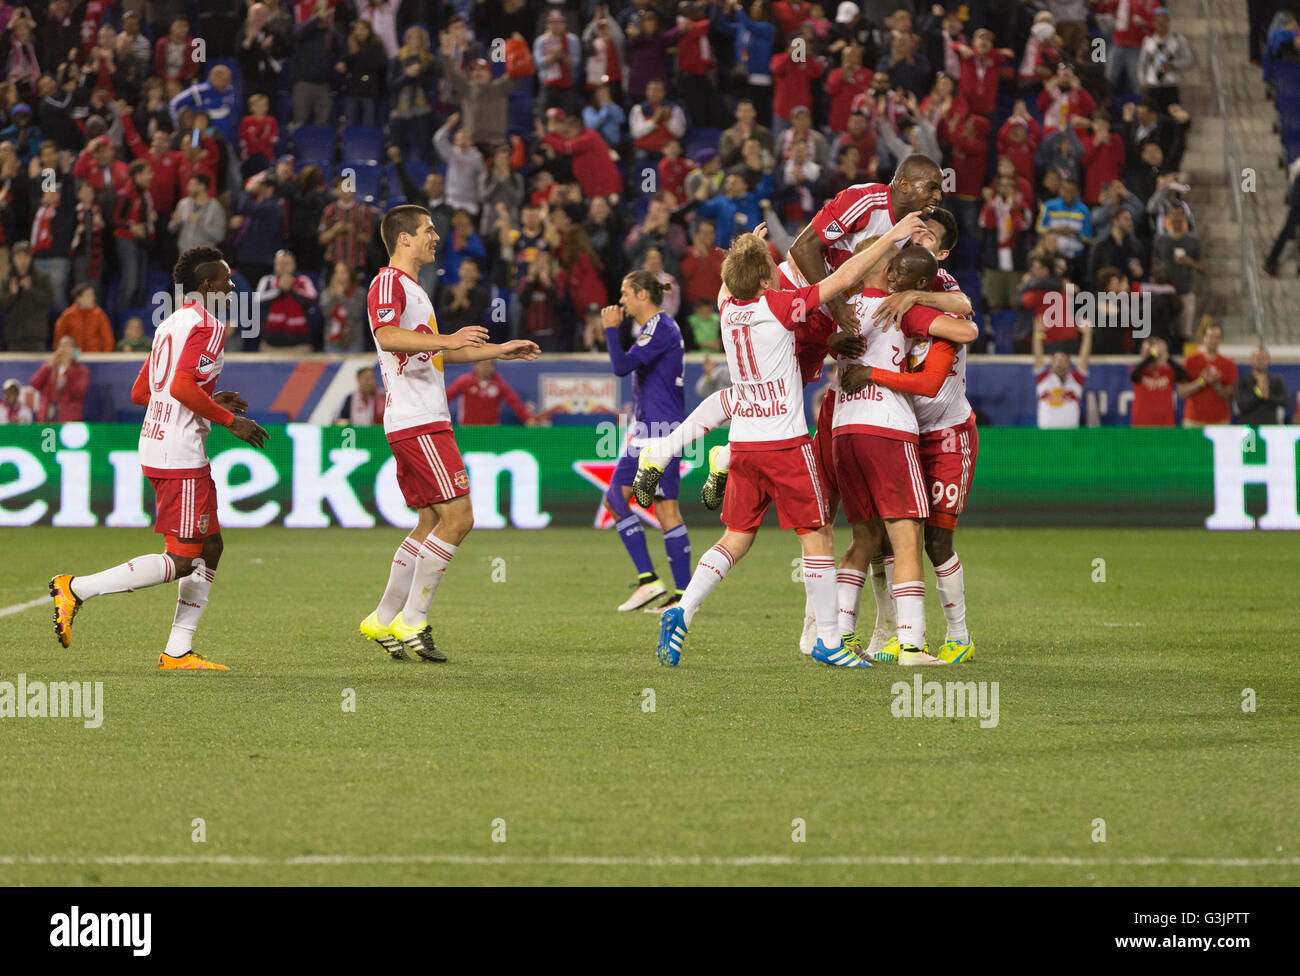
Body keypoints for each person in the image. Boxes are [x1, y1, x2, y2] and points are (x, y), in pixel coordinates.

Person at [653, 225, 928, 669]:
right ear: (765, 281)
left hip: (743, 444)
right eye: (771, 271)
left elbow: (729, 283)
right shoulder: (778, 307)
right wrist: (890, 236)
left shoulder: (726, 310)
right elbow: (843, 277)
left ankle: (681, 611)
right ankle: (828, 641)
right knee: (816, 535)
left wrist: (747, 246)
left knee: (736, 538)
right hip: (784, 444)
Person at [49, 247, 270, 670]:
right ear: (207, 286)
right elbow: (183, 386)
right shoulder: (209, 326)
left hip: (158, 440)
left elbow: (142, 391)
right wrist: (228, 420)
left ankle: (177, 652)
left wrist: (203, 396)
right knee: (184, 557)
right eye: (225, 278)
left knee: (211, 545)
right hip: (179, 451)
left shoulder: (170, 322)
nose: (231, 283)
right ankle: (76, 588)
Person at [357, 205, 541, 663]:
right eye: (428, 230)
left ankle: (383, 619)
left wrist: (499, 350)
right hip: (418, 421)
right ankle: (413, 620)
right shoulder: (389, 283)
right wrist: (448, 338)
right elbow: (388, 336)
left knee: (430, 522)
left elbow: (432, 355)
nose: (436, 237)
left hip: (421, 419)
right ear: (403, 238)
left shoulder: (415, 289)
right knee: (459, 518)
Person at [833, 245, 980, 667]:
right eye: (890, 268)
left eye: (901, 272)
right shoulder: (887, 310)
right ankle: (902, 639)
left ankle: (956, 635)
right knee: (894, 538)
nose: (892, 276)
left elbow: (953, 350)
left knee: (930, 540)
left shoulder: (917, 315)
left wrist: (862, 363)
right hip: (898, 432)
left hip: (945, 433)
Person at [599, 270, 690, 613]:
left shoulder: (660, 328)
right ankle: (655, 583)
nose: (620, 300)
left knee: (664, 510)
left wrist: (610, 328)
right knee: (623, 501)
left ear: (641, 294)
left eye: (624, 293)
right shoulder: (656, 329)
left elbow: (621, 367)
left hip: (659, 433)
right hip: (651, 430)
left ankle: (667, 588)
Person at [1033, 317, 1093, 428]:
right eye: (1057, 360)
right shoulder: (1043, 378)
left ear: (1069, 364)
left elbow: (1084, 357)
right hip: (1046, 440)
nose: (1060, 363)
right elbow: (1038, 357)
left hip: (1069, 439)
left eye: (1064, 360)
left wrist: (1087, 334)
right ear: (1052, 364)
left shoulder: (1076, 379)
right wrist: (1037, 335)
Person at [1179, 320, 1237, 427]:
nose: (1213, 341)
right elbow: (1182, 392)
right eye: (1210, 337)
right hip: (1193, 421)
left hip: (1220, 422)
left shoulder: (1229, 364)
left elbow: (1229, 397)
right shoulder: (1190, 362)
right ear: (1204, 338)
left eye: (1217, 337)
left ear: (1221, 340)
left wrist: (1216, 384)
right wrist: (1202, 381)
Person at [445, 359, 534, 426]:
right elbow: (447, 397)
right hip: (468, 429)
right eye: (483, 365)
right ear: (475, 366)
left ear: (493, 367)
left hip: (491, 431)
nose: (485, 368)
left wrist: (528, 418)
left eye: (489, 365)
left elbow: (515, 402)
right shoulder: (465, 381)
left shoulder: (499, 384)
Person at [0, 241, 53, 351]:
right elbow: (3, 306)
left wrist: (31, 289)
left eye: (25, 257)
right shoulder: (7, 280)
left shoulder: (42, 278)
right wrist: (12, 294)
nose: (22, 261)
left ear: (31, 259)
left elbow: (48, 301)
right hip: (14, 337)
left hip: (36, 337)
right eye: (18, 257)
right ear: (13, 259)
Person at [1130, 336, 1188, 427]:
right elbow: (1134, 377)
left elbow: (1183, 376)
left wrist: (1167, 358)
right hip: (1142, 423)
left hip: (1164, 424)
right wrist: (1151, 356)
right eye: (1146, 351)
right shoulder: (1139, 370)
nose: (1149, 354)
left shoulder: (1168, 371)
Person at [30, 337, 89, 422]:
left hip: (68, 420)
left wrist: (68, 369)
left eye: (68, 346)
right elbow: (34, 384)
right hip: (47, 418)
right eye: (61, 346)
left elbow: (78, 393)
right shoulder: (50, 367)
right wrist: (47, 367)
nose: (64, 349)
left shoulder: (82, 371)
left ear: (75, 351)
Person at [1233, 346, 1290, 424]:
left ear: (1269, 360)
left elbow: (1285, 401)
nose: (1261, 360)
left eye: (1264, 358)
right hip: (1248, 428)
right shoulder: (1242, 381)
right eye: (1258, 358)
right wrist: (1258, 392)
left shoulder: (1276, 381)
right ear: (1252, 359)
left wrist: (1269, 396)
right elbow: (1241, 404)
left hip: (1270, 428)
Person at [54, 282, 114, 352]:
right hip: (73, 357)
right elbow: (59, 339)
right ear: (78, 298)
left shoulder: (99, 314)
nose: (93, 298)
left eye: (93, 295)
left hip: (95, 356)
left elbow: (108, 340)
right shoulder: (68, 315)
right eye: (89, 295)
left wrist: (105, 357)